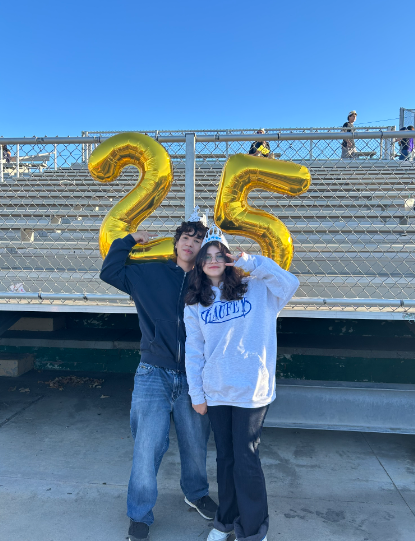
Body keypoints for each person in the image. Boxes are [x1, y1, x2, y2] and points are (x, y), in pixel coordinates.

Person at [100, 207, 217, 541]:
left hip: (195, 375)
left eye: (198, 239)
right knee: (148, 444)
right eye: (186, 237)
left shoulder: (208, 281)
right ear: (176, 241)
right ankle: (139, 514)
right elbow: (109, 272)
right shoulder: (149, 273)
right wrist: (127, 240)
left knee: (196, 442)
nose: (190, 244)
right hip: (154, 371)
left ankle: (195, 493)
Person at [184, 225, 299, 541]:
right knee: (226, 459)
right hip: (217, 391)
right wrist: (197, 393)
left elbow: (291, 283)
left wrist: (257, 263)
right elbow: (194, 352)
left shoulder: (257, 287)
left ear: (228, 257)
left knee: (246, 458)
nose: (212, 260)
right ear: (199, 264)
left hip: (251, 389)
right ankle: (226, 520)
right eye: (205, 256)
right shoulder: (196, 302)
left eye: (218, 254)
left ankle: (253, 530)